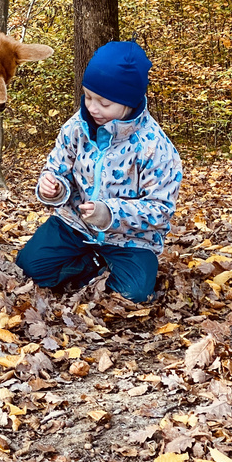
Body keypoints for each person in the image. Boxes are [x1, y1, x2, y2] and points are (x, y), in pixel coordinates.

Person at [16, 40, 182, 302]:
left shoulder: (154, 147)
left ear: (129, 101)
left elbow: (160, 209)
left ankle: (103, 265)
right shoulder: (76, 128)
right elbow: (57, 168)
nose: (93, 108)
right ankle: (93, 263)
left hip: (130, 239)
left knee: (132, 293)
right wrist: (54, 187)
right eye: (88, 96)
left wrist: (109, 214)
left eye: (104, 103)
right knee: (30, 267)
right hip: (75, 225)